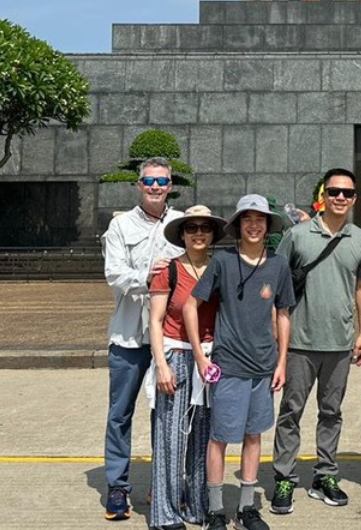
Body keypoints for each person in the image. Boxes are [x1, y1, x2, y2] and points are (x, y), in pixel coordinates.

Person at [270, 168, 361, 514]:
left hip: (340, 343)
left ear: (355, 198)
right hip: (301, 340)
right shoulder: (298, 235)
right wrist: (277, 336)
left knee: (332, 413)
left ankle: (325, 474)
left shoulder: (360, 239)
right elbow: (277, 286)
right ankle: (284, 476)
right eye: (334, 192)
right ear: (323, 195)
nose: (340, 198)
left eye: (347, 192)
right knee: (291, 412)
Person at [189, 194, 295, 530]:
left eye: (260, 220)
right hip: (229, 366)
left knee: (253, 435)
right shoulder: (222, 262)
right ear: (237, 226)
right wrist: (198, 356)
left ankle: (247, 508)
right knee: (220, 437)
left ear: (268, 226)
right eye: (247, 219)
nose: (253, 225)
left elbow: (283, 314)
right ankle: (216, 510)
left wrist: (281, 362)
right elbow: (191, 306)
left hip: (263, 367)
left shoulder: (278, 265)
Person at [100, 159, 184, 521]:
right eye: (149, 181)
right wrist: (147, 276)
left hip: (168, 339)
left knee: (166, 416)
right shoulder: (121, 225)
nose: (155, 187)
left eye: (161, 181)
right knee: (120, 414)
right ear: (138, 184)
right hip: (128, 336)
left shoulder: (181, 224)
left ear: (170, 185)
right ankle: (117, 486)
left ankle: (163, 484)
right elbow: (114, 274)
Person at [148, 205, 227, 528]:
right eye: (191, 228)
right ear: (181, 234)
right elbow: (154, 320)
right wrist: (161, 366)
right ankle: (164, 513)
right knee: (171, 438)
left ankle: (198, 506)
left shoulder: (220, 267)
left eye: (204, 228)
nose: (198, 233)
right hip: (176, 355)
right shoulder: (168, 270)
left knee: (204, 437)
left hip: (210, 361)